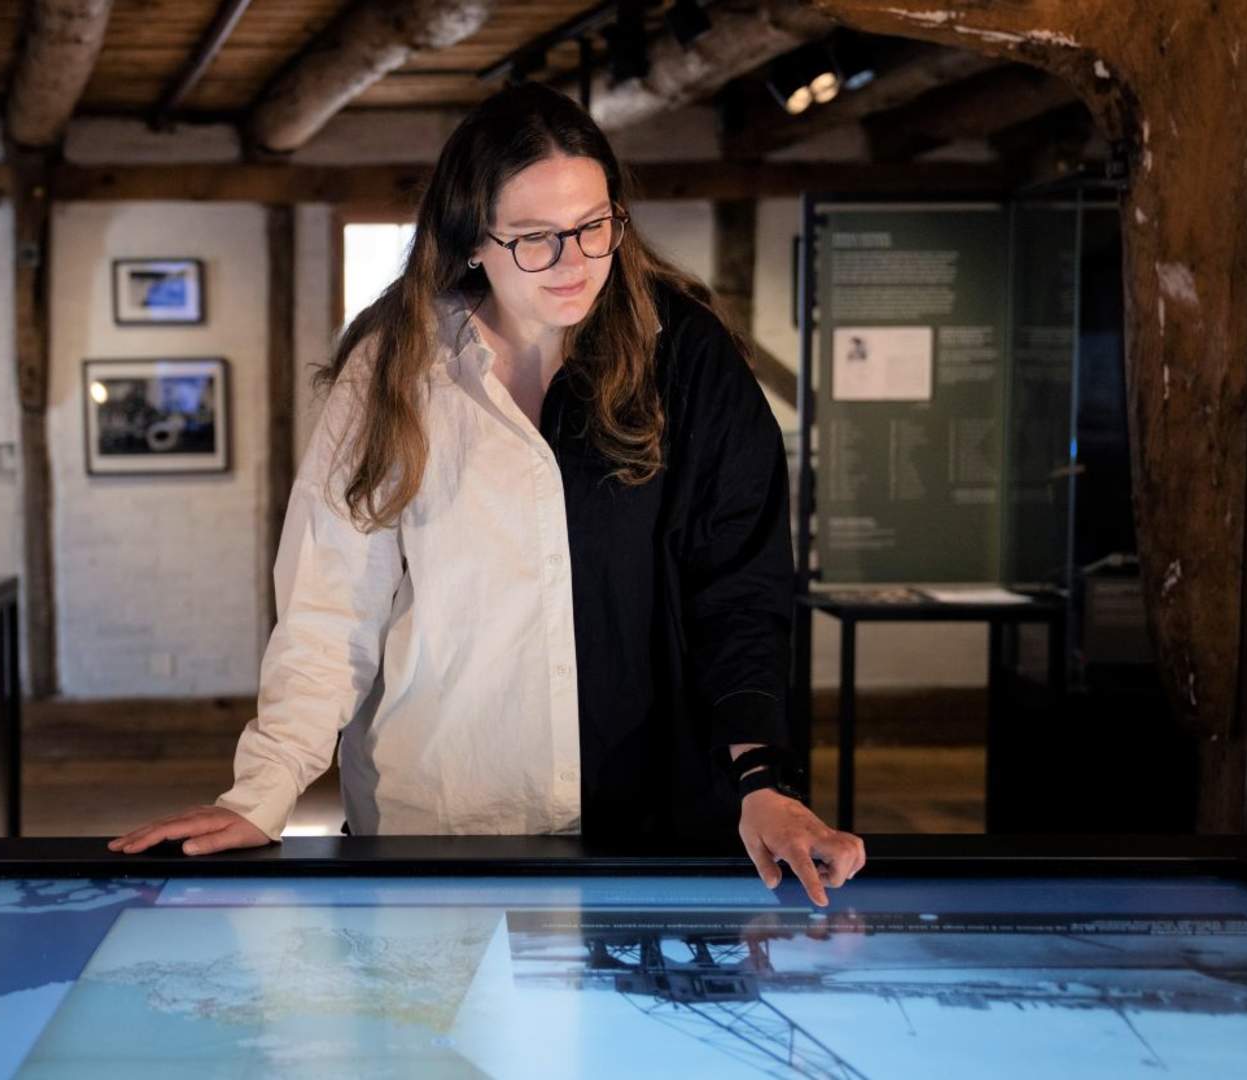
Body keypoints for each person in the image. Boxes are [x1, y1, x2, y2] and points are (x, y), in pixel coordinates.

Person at [111, 83, 865, 905]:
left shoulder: (685, 357)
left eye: (594, 225)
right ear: (473, 239)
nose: (576, 262)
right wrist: (262, 794)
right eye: (537, 238)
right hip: (438, 821)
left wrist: (763, 779)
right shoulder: (393, 370)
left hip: (651, 827)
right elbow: (331, 608)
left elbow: (740, 591)